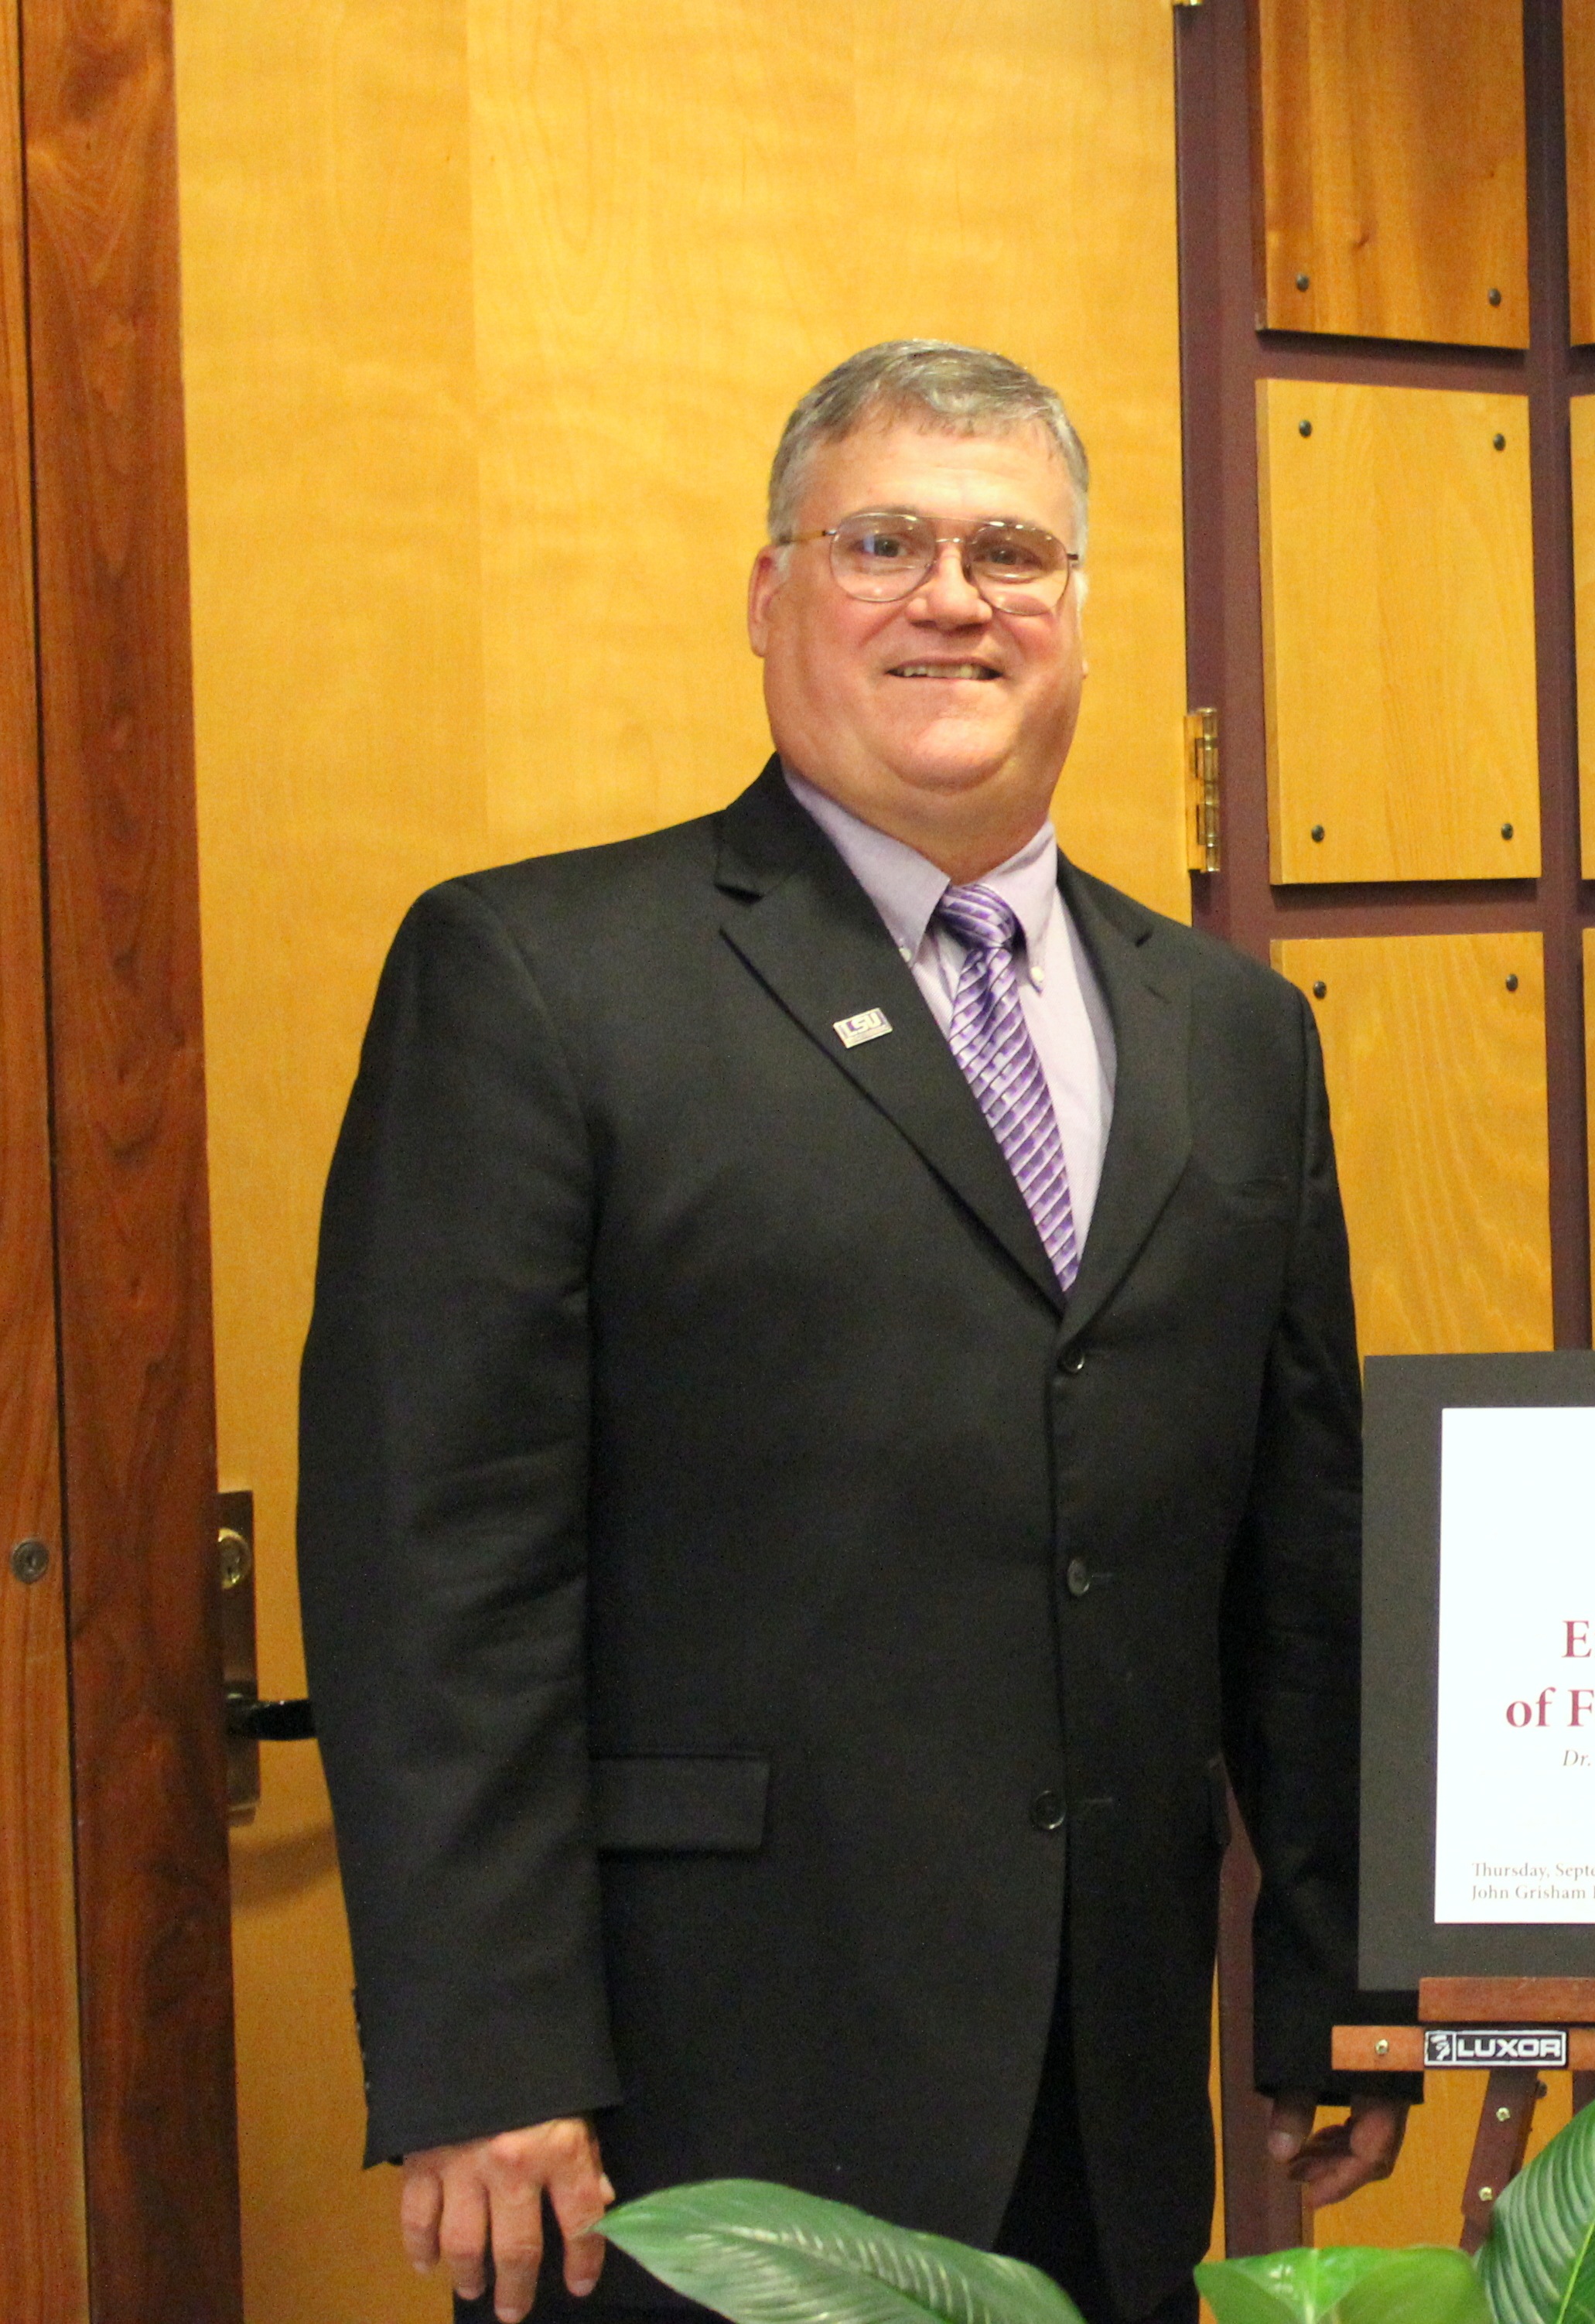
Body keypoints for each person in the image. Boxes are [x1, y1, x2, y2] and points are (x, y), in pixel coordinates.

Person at [299, 340, 1409, 2324]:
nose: (951, 599)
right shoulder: (539, 977)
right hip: (683, 2108)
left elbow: (1299, 1564)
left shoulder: (1234, 1035)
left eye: (1011, 551)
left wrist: (1342, 1991)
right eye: (881, 540)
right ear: (766, 594)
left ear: (1078, 608)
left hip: (1113, 2086)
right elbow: (431, 1562)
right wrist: (486, 2054)